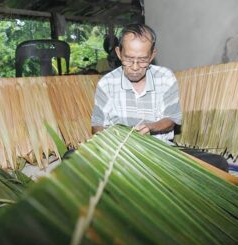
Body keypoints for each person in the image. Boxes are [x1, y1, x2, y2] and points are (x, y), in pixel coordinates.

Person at [91, 23, 228, 172]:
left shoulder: (165, 77)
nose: (135, 66)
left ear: (152, 55)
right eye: (129, 59)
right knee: (72, 159)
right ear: (119, 53)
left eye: (143, 59)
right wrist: (114, 139)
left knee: (217, 163)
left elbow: (171, 120)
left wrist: (150, 127)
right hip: (120, 154)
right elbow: (97, 124)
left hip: (161, 152)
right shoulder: (107, 83)